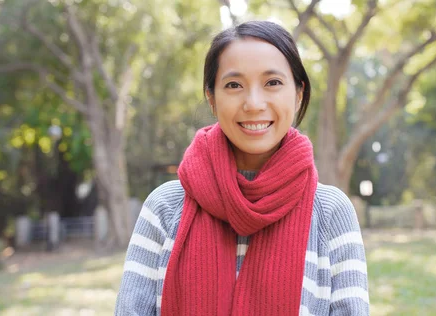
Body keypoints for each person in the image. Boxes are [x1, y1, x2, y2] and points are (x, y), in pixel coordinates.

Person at [115, 20, 369, 316]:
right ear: (211, 98)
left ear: (298, 93)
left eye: (272, 83)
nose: (253, 103)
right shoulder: (165, 207)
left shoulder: (330, 212)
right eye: (234, 85)